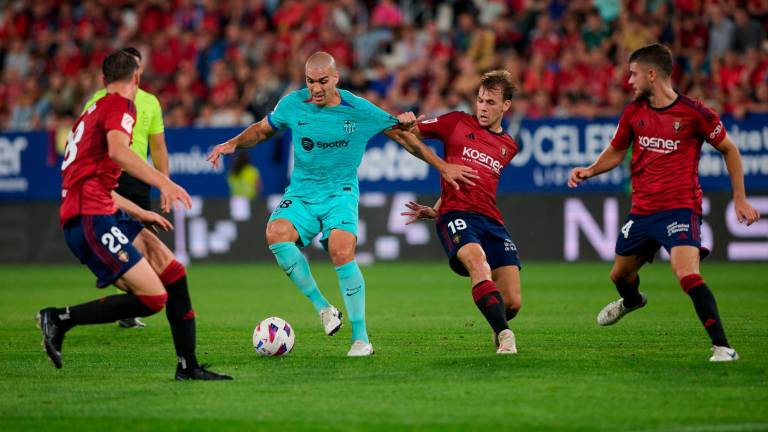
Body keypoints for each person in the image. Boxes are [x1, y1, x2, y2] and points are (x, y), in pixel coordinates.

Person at [207, 52, 476, 357]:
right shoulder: (293, 104)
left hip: (340, 192)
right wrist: (233, 142)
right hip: (302, 193)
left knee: (341, 249)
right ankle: (324, 308)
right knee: (275, 233)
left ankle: (361, 338)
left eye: (323, 81)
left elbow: (406, 139)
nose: (316, 88)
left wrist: (441, 166)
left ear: (336, 78)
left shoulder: (358, 109)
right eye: (311, 81)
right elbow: (261, 129)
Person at [37, 50, 232, 380]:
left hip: (103, 209)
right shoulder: (120, 104)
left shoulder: (91, 111)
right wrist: (164, 182)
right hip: (90, 218)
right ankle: (59, 319)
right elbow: (119, 152)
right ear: (137, 78)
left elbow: (94, 180)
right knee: (154, 298)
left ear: (103, 80)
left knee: (173, 272)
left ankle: (188, 366)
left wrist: (141, 211)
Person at [568, 43, 760, 362]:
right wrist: (589, 170)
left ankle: (723, 347)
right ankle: (631, 302)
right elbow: (616, 151)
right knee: (619, 276)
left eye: (633, 74)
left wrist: (739, 199)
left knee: (685, 272)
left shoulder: (695, 114)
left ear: (652, 74)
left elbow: (731, 150)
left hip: (680, 208)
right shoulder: (633, 112)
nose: (629, 81)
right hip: (642, 211)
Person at [399, 70, 522, 355]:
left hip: (491, 220)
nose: (482, 107)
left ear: (505, 106)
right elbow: (410, 133)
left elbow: (476, 180)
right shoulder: (455, 122)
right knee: (479, 265)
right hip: (457, 215)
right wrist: (407, 121)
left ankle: (499, 322)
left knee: (512, 302)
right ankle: (505, 336)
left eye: (491, 102)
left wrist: (434, 207)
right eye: (480, 100)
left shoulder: (509, 147)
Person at [83, 47, 169, 330]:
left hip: (138, 178)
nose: (138, 76)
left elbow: (158, 147)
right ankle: (132, 301)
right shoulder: (101, 100)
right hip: (112, 175)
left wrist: (164, 183)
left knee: (142, 239)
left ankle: (132, 304)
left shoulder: (150, 102)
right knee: (118, 238)